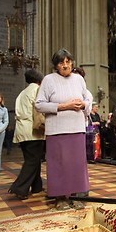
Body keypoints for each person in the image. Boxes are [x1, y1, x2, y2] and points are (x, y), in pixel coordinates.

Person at [35, 48, 91, 210]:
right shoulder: (48, 80)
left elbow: (88, 97)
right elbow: (39, 104)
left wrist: (84, 104)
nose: (65, 65)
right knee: (59, 164)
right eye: (61, 62)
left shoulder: (79, 79)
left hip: (76, 128)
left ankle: (76, 195)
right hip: (57, 130)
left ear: (72, 63)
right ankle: (60, 198)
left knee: (76, 164)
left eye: (68, 61)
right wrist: (64, 106)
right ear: (56, 65)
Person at [8, 69, 45, 200]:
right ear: (39, 79)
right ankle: (19, 188)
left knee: (33, 160)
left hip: (22, 131)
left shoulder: (22, 93)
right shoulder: (37, 90)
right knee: (32, 161)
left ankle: (37, 186)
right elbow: (40, 111)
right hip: (32, 131)